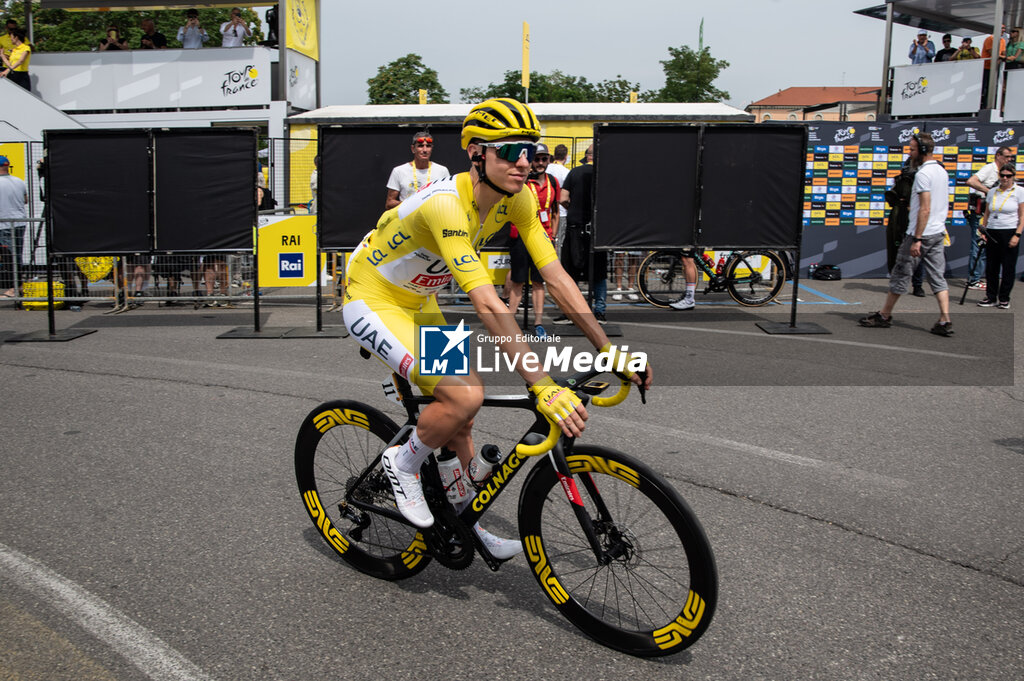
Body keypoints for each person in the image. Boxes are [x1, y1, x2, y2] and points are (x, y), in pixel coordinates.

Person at [342, 98, 651, 555]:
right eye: (510, 151)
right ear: (476, 154)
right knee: (464, 393)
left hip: (418, 299)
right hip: (372, 298)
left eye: (530, 150)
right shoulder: (447, 203)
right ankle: (400, 462)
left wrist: (609, 351)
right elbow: (487, 302)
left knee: (461, 417)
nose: (524, 162)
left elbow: (557, 276)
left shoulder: (519, 198)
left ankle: (466, 524)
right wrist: (542, 383)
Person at [860, 133, 953, 336]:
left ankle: (884, 315)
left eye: (912, 149)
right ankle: (945, 319)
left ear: (923, 150)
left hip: (920, 234)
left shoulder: (923, 175)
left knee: (900, 274)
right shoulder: (941, 171)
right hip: (938, 232)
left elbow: (925, 209)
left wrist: (917, 239)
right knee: (938, 277)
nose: (909, 153)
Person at [507, 143, 560, 337]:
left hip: (543, 238)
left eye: (543, 159)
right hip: (520, 236)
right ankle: (510, 324)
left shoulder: (553, 182)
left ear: (549, 160)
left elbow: (555, 212)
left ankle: (538, 323)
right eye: (536, 159)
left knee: (538, 283)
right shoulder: (520, 180)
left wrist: (552, 235)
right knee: (517, 281)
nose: (540, 163)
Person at [557, 145, 608, 324]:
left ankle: (574, 311)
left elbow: (562, 198)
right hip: (598, 228)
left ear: (586, 156)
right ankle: (600, 312)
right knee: (599, 273)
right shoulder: (605, 174)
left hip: (576, 227)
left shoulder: (574, 172)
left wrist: (574, 209)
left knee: (572, 271)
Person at [965, 146, 1014, 289]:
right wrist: (989, 191)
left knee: (987, 246)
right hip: (980, 212)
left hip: (993, 214)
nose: (1009, 159)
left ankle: (978, 277)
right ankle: (973, 279)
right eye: (1006, 156)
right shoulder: (989, 168)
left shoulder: (1004, 173)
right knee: (978, 243)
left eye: (1011, 157)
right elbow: (971, 181)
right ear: (998, 156)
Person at [977, 164, 1023, 309]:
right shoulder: (992, 192)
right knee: (992, 267)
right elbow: (987, 213)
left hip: (1009, 231)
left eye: (1008, 176)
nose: (1004, 178)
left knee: (1008, 267)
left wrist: (1017, 234)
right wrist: (984, 231)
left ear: (1013, 176)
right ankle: (991, 297)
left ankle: (1004, 298)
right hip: (992, 231)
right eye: (1002, 175)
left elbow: (1022, 216)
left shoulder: (1020, 191)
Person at [385, 131, 451, 209]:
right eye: (420, 146)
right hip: (408, 219)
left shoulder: (442, 171)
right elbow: (389, 203)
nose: (425, 150)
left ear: (431, 149)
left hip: (432, 218)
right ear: (413, 149)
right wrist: (411, 204)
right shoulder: (399, 171)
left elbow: (449, 199)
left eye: (428, 146)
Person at [0, 155, 28, 298]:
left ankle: (14, 288)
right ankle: (17, 286)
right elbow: (25, 200)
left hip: (4, 225)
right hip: (20, 223)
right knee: (16, 255)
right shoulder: (19, 181)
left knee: (9, 257)